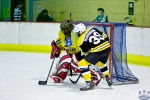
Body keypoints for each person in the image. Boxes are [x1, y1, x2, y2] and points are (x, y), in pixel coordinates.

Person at [50, 20, 101, 85]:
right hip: (70, 52)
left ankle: (94, 76)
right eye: (62, 30)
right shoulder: (61, 33)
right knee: (64, 61)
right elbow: (61, 41)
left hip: (79, 52)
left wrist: (87, 53)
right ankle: (59, 75)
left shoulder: (76, 32)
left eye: (65, 29)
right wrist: (56, 46)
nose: (64, 31)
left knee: (78, 67)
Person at [73, 23, 112, 91]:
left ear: (80, 32)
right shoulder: (92, 29)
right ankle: (108, 79)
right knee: (100, 63)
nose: (77, 34)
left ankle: (89, 84)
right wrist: (104, 44)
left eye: (77, 33)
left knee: (82, 64)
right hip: (107, 47)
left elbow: (86, 53)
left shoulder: (80, 41)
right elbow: (104, 35)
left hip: (98, 50)